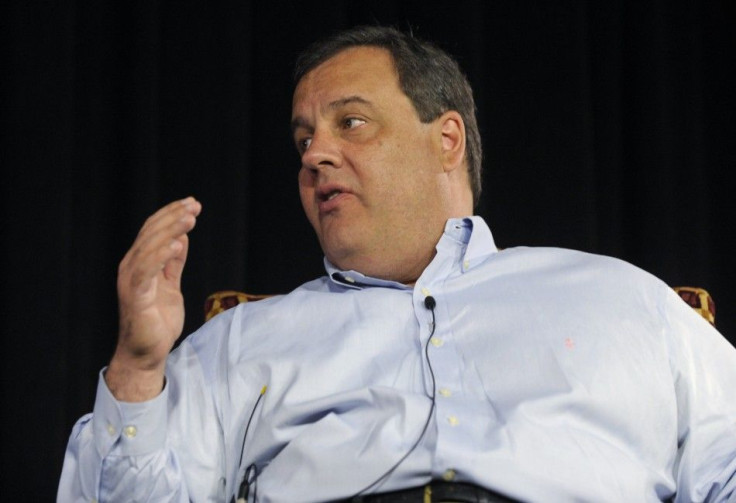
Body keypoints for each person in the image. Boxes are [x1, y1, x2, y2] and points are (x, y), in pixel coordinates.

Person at [58, 25, 736, 503]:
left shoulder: (623, 302)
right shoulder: (240, 344)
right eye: (304, 138)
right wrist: (138, 368)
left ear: (446, 140)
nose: (314, 154)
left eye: (349, 123)